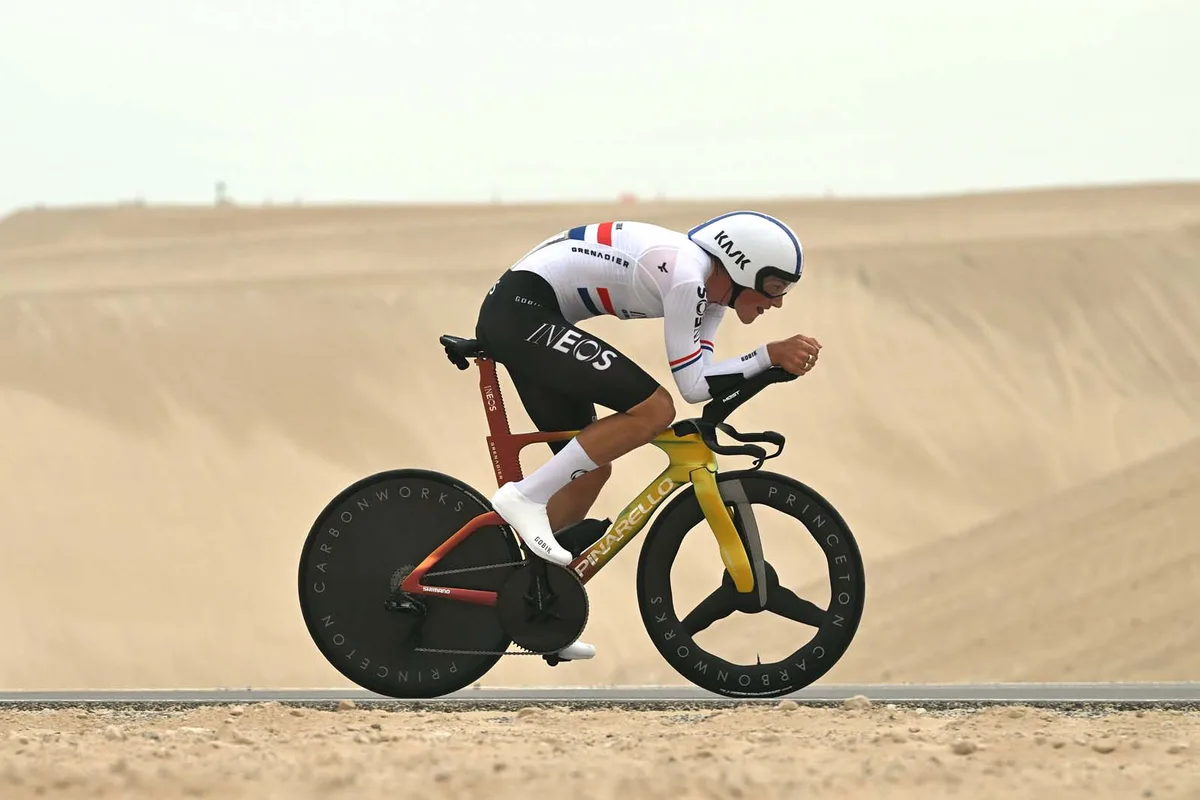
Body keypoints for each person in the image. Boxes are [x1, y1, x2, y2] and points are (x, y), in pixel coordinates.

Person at [472, 211, 822, 661]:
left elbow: (699, 384)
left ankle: (536, 602)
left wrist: (765, 364)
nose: (776, 303)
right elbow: (685, 388)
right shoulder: (687, 277)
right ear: (739, 265)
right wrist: (767, 354)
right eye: (773, 288)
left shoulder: (711, 297)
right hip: (521, 315)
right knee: (654, 409)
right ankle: (525, 497)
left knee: (590, 471)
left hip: (531, 316)